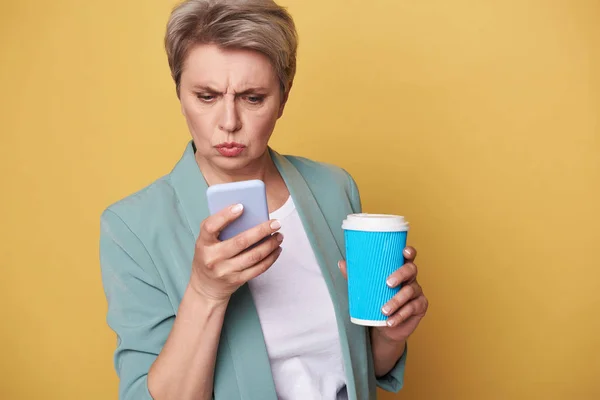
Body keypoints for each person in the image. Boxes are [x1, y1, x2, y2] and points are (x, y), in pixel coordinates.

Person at [99, 0, 429, 399]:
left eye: (253, 98)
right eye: (206, 96)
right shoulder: (132, 228)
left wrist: (391, 334)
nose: (229, 121)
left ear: (283, 99)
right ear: (179, 94)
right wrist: (206, 293)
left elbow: (362, 367)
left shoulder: (333, 188)